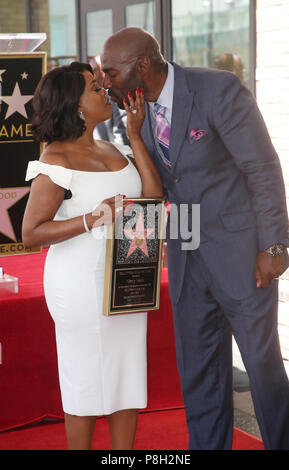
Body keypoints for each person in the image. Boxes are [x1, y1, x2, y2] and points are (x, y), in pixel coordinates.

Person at [100, 28, 289, 450]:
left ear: (142, 66)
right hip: (187, 259)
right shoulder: (134, 111)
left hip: (243, 256)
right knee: (200, 374)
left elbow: (262, 167)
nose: (105, 81)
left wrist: (275, 245)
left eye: (111, 71)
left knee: (262, 370)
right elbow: (159, 187)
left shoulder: (217, 89)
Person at [22, 61, 163, 450]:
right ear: (76, 105)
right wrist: (94, 217)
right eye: (95, 88)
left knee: (128, 376)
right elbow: (31, 232)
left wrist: (135, 136)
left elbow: (151, 198)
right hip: (79, 284)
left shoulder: (115, 147)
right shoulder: (56, 160)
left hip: (127, 278)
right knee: (84, 378)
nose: (106, 92)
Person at [90, 57, 129, 145]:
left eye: (94, 70)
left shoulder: (115, 97)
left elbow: (122, 136)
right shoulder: (88, 99)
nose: (91, 75)